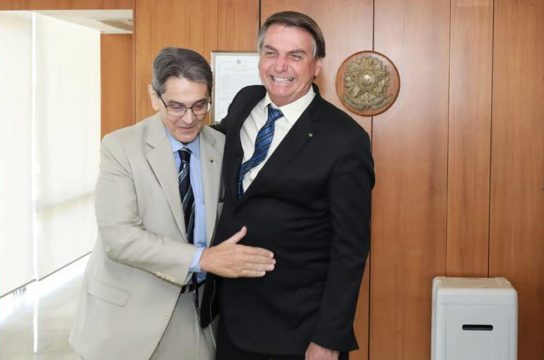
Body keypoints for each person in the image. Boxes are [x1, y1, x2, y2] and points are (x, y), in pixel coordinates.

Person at [69, 47, 275, 360]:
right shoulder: (120, 147)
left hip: (196, 317)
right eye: (176, 107)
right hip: (125, 320)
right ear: (154, 97)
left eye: (199, 106)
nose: (189, 119)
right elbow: (119, 238)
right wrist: (201, 259)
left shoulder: (222, 147)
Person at [200, 11, 375, 360]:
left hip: (297, 331)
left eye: (295, 56)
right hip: (229, 319)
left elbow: (350, 248)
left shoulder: (345, 139)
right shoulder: (245, 102)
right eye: (270, 52)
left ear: (317, 66)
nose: (280, 66)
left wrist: (328, 339)